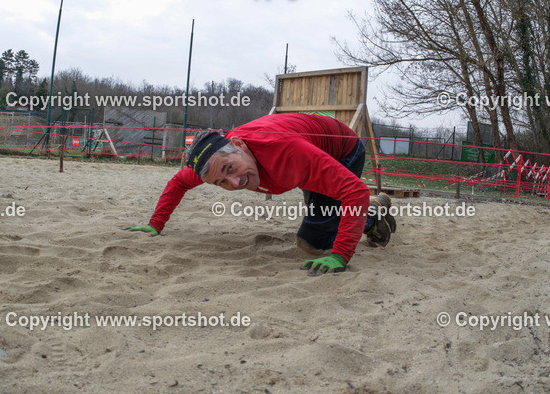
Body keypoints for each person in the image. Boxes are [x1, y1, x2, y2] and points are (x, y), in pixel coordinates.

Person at [123, 113, 396, 275]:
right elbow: (177, 183)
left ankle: (372, 215)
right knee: (324, 218)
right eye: (221, 182)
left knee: (312, 244)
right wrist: (155, 224)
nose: (235, 182)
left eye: (231, 169)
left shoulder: (287, 152)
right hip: (308, 152)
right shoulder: (214, 161)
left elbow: (355, 191)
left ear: (239, 145)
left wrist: (341, 256)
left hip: (343, 149)